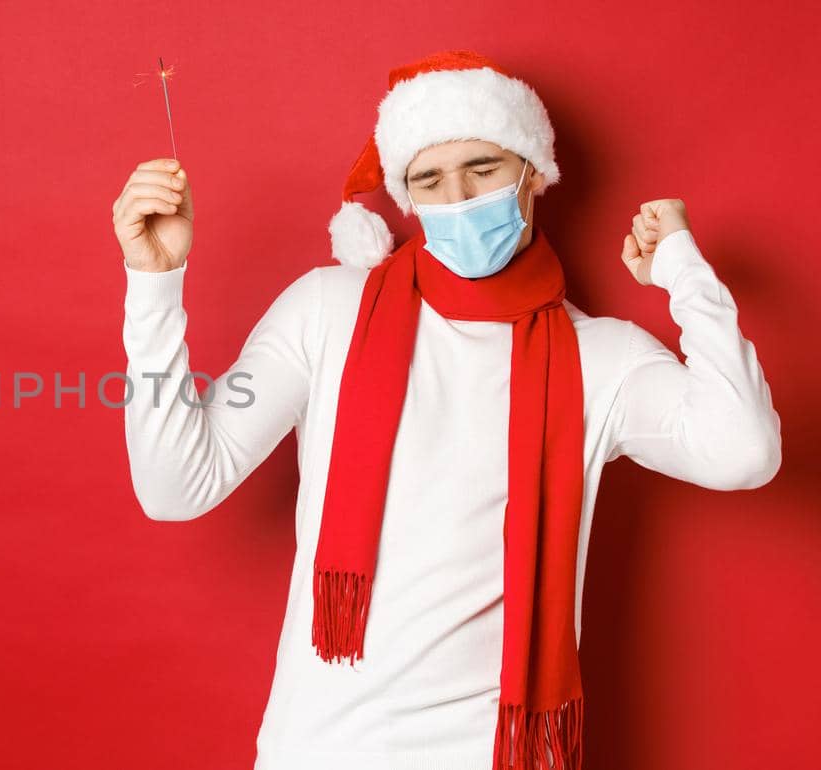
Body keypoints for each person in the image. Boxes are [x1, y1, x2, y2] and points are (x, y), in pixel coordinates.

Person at [109, 49, 781, 770]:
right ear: (406, 197)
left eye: (483, 170)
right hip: (322, 750)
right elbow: (176, 487)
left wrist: (683, 270)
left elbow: (744, 450)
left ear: (534, 175)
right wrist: (154, 286)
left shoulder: (601, 357)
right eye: (429, 179)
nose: (457, 198)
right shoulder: (327, 310)